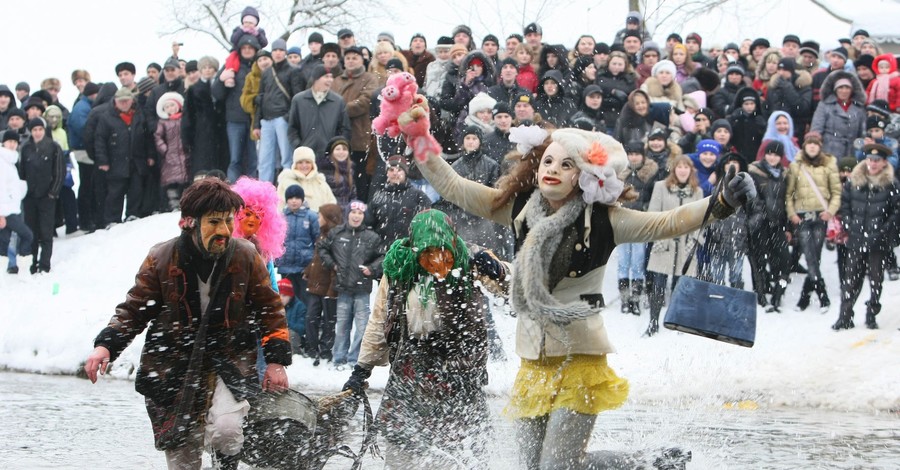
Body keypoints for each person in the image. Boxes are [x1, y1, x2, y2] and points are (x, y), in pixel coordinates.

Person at [406, 116, 753, 467]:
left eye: (566, 164)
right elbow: (455, 187)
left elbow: (666, 222)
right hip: (534, 361)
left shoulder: (605, 221)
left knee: (557, 467)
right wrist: (419, 136)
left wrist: (720, 201)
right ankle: (647, 462)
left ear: (583, 175)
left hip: (580, 359)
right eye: (548, 161)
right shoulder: (521, 209)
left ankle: (644, 463)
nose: (553, 169)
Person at [84, 178, 291, 470]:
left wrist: (276, 362)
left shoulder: (245, 255)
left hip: (228, 360)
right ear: (190, 223)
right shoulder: (162, 257)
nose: (223, 231)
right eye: (214, 222)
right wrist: (106, 346)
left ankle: (226, 464)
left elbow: (269, 309)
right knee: (183, 454)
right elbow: (134, 308)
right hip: (173, 366)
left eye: (228, 222)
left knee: (227, 430)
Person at [343, 209, 500, 467]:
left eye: (441, 249)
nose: (436, 258)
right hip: (411, 366)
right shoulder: (398, 266)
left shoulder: (468, 258)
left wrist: (498, 269)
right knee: (401, 447)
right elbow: (380, 318)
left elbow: (506, 285)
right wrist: (362, 368)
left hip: (457, 366)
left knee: (457, 448)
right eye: (427, 251)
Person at [834, 144, 899, 330]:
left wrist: (884, 230)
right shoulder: (854, 180)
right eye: (870, 159)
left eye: (877, 160)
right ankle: (844, 316)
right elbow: (845, 205)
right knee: (851, 280)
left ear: (884, 162)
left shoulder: (891, 184)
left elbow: (896, 211)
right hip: (856, 238)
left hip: (878, 241)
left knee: (876, 280)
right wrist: (849, 224)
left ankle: (872, 313)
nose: (873, 163)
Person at [318, 200, 384, 369]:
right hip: (343, 288)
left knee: (362, 327)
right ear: (347, 214)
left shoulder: (372, 237)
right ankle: (339, 359)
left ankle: (355, 359)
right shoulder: (337, 233)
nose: (356, 216)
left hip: (362, 289)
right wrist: (332, 264)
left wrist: (372, 269)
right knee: (342, 327)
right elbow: (322, 248)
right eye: (353, 212)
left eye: (360, 213)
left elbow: (383, 256)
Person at [645, 155, 704, 335]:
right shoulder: (661, 187)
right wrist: (661, 236)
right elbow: (653, 214)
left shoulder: (697, 191)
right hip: (664, 243)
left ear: (691, 170)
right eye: (679, 167)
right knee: (658, 285)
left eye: (686, 167)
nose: (683, 170)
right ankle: (653, 322)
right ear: (674, 169)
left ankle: (677, 322)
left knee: (681, 287)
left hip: (686, 245)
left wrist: (694, 241)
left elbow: (701, 219)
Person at [786, 134, 841, 313]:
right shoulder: (795, 166)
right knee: (810, 256)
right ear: (804, 146)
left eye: (815, 144)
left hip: (820, 216)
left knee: (814, 257)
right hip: (802, 217)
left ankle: (805, 297)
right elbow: (789, 193)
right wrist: (792, 213)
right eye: (808, 143)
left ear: (820, 146)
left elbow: (836, 192)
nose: (811, 147)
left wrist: (830, 211)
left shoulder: (829, 164)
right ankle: (821, 295)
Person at [254, 38, 306, 184]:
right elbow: (261, 99)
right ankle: (264, 190)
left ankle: (287, 188)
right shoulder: (266, 73)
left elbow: (297, 97)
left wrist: (288, 117)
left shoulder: (293, 71)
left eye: (281, 50)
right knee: (264, 160)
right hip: (267, 120)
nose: (278, 53)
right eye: (275, 50)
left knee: (286, 158)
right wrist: (256, 124)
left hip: (282, 119)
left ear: (285, 52)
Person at [746, 141, 790, 312]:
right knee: (759, 261)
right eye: (769, 154)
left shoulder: (784, 174)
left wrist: (787, 227)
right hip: (760, 223)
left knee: (785, 261)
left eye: (776, 155)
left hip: (777, 224)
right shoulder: (754, 172)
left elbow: (786, 200)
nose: (772, 157)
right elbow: (751, 199)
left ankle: (778, 294)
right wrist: (760, 213)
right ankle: (761, 294)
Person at [616, 141, 658, 315]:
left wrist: (646, 209)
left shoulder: (650, 173)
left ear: (642, 155)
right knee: (623, 262)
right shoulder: (620, 172)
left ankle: (636, 298)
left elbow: (652, 196)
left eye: (636, 154)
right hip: (623, 222)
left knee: (638, 263)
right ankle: (625, 298)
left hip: (640, 222)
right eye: (630, 154)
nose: (633, 157)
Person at [18, 118, 65, 274]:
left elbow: (59, 171)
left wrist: (53, 192)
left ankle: (45, 264)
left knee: (46, 232)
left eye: (40, 129)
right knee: (31, 232)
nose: (37, 132)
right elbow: (21, 173)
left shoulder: (53, 147)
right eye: (34, 130)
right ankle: (32, 263)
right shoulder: (26, 148)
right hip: (30, 197)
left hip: (47, 197)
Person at [213, 34, 261, 182]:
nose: (247, 50)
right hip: (235, 119)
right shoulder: (230, 66)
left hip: (255, 119)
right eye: (244, 48)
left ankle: (253, 193)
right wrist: (221, 81)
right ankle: (233, 191)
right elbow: (217, 93)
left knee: (254, 159)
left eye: (250, 48)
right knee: (235, 159)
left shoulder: (260, 65)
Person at [364, 155, 431, 253]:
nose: (395, 173)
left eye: (399, 170)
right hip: (382, 253)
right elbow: (367, 224)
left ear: (405, 173)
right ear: (387, 173)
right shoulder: (378, 197)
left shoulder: (418, 196)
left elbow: (427, 224)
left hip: (409, 251)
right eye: (391, 170)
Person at [303, 203, 343, 365]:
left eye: (320, 216)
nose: (317, 219)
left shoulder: (336, 237)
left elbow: (335, 265)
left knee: (328, 320)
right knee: (311, 318)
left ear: (328, 219)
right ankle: (312, 348)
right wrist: (308, 271)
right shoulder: (322, 235)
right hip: (315, 285)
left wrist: (332, 289)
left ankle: (325, 350)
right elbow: (317, 258)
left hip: (328, 287)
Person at [287, 64, 351, 159]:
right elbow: (292, 128)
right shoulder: (299, 100)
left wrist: (337, 148)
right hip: (306, 156)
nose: (330, 80)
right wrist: (299, 146)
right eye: (326, 76)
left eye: (331, 77)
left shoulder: (338, 101)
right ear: (316, 79)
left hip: (330, 156)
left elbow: (344, 129)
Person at [276, 183, 319, 306]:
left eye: (297, 198)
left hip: (304, 266)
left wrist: (313, 263)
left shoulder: (311, 216)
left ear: (302, 199)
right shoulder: (281, 217)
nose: (294, 201)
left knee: (305, 298)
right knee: (286, 298)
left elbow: (317, 239)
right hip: (286, 264)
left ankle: (304, 324)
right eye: (290, 198)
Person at [810, 71, 867, 161]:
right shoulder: (824, 105)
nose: (844, 91)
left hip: (851, 153)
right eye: (840, 87)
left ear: (852, 90)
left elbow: (862, 134)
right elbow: (816, 129)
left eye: (847, 88)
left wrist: (859, 151)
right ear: (835, 89)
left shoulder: (859, 108)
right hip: (828, 152)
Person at [0, 130, 33, 275]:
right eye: (9, 142)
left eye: (14, 142)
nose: (12, 145)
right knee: (27, 235)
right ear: (3, 143)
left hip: (12, 207)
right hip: (6, 210)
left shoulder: (11, 161)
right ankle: (24, 269)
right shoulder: (2, 161)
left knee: (4, 241)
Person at [154, 92, 190, 211]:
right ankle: (174, 204)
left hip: (184, 154)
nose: (170, 108)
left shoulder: (183, 119)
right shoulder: (163, 122)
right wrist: (164, 149)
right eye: (167, 107)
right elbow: (158, 136)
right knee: (171, 182)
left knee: (185, 180)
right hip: (170, 155)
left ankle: (185, 202)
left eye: (172, 105)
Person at [276, 147, 336, 212]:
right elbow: (279, 208)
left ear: (313, 164)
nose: (304, 165)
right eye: (300, 162)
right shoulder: (286, 182)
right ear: (295, 164)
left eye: (307, 162)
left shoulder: (320, 182)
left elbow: (332, 203)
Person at [277, 277, 307, 354]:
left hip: (293, 337)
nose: (281, 298)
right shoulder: (273, 306)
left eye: (284, 295)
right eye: (279, 295)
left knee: (291, 334)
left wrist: (286, 323)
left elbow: (302, 328)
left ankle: (295, 355)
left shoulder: (299, 306)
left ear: (290, 296)